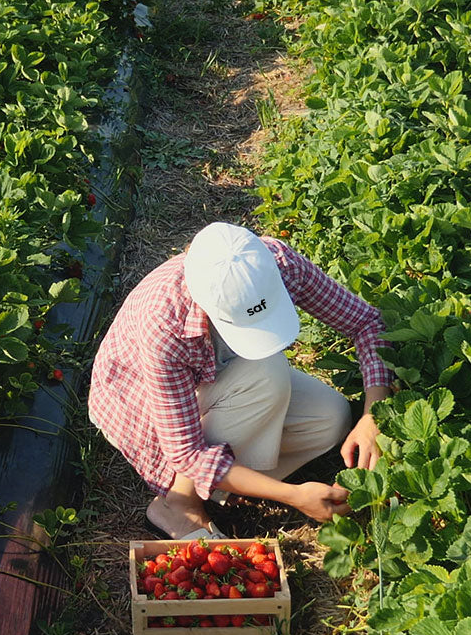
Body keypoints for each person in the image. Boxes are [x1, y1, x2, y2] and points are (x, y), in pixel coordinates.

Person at [88, 222, 393, 539]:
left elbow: (366, 323)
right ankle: (180, 502)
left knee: (331, 418)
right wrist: (292, 496)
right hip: (139, 402)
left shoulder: (274, 264)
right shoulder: (165, 322)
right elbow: (186, 453)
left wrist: (373, 416)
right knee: (267, 375)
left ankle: (226, 484)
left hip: (227, 377)